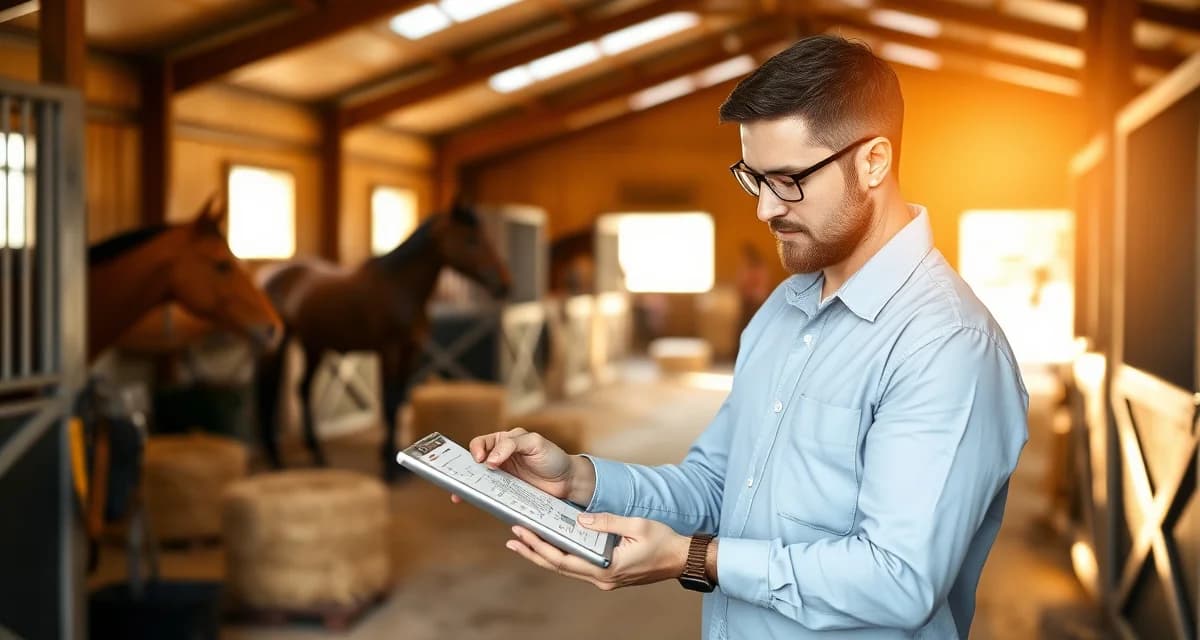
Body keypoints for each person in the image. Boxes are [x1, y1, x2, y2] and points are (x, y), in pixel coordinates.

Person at [461, 34, 1029, 639]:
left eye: (787, 179)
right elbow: (718, 487)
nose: (763, 209)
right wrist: (578, 478)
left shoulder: (947, 346)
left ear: (874, 161)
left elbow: (897, 578)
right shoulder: (782, 311)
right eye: (752, 178)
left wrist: (693, 557)